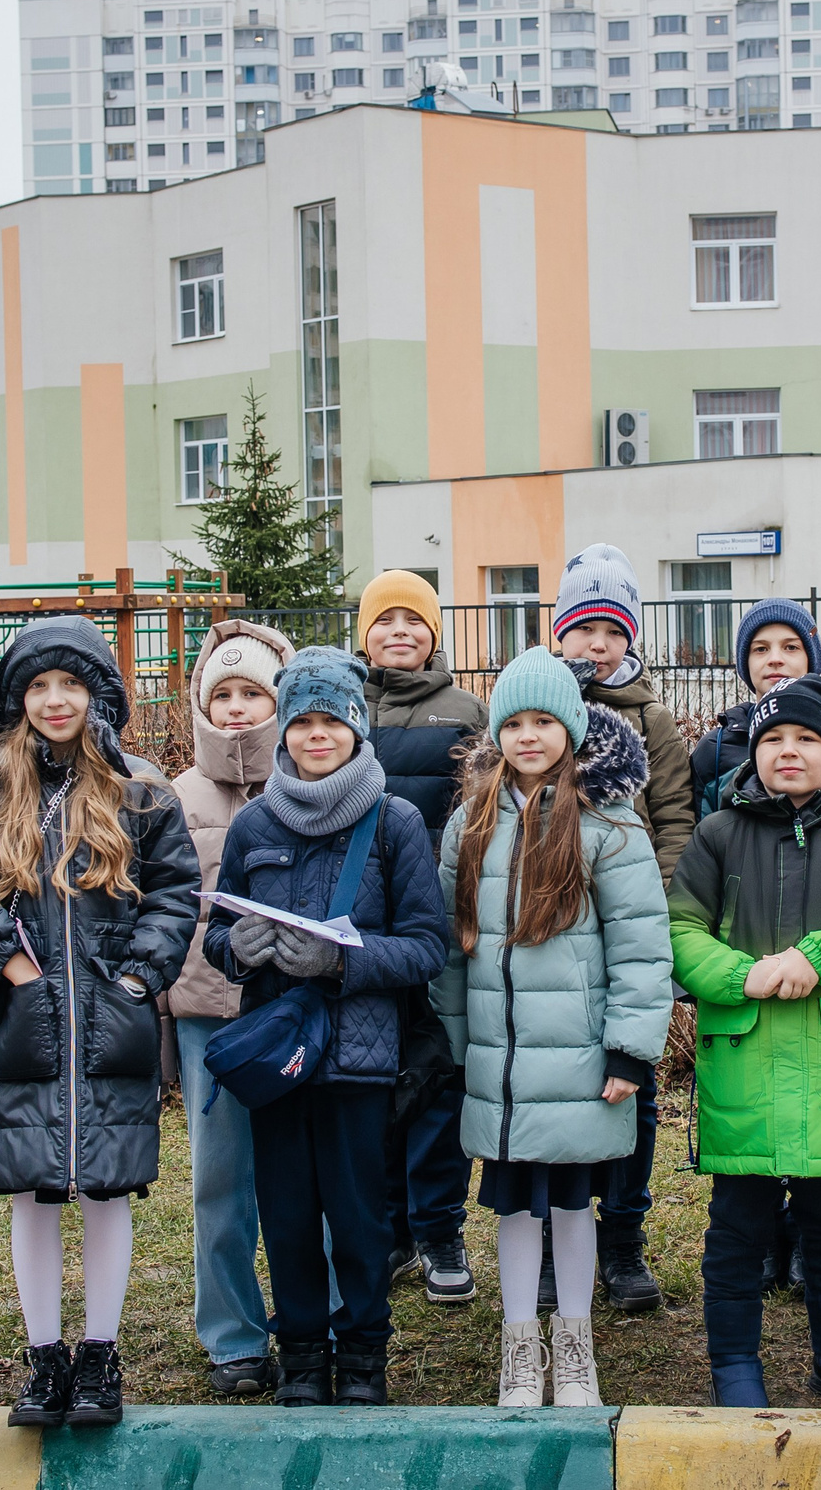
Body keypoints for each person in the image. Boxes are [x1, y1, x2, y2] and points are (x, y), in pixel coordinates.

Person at [0, 617, 201, 1430]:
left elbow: (175, 890)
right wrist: (15, 965)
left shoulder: (141, 788)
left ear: (98, 693)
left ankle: (100, 1352)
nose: (56, 699)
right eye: (39, 685)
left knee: (108, 1185)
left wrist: (140, 976)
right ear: (18, 699)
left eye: (71, 683)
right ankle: (44, 1356)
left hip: (114, 1016)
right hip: (22, 1019)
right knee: (33, 1187)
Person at [205, 647, 450, 1408]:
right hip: (279, 1056)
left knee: (356, 1214)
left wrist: (342, 963)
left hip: (359, 1057)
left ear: (357, 724)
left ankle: (364, 1357)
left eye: (331, 720)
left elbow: (426, 943)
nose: (317, 736)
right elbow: (220, 930)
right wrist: (235, 949)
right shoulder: (253, 823)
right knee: (284, 1214)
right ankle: (304, 1356)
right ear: (284, 732)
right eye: (302, 721)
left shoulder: (395, 821)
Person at [434, 647, 672, 1406]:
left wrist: (631, 1048)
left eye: (544, 720)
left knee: (573, 1201)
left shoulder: (609, 820)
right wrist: (453, 1041)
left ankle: (574, 1347)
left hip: (577, 1060)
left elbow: (642, 941)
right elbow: (447, 944)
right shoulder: (470, 822)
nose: (529, 735)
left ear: (570, 728)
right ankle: (519, 1344)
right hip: (501, 1061)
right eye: (514, 721)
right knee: (511, 1204)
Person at [671, 677, 821, 1412]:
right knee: (736, 1232)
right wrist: (744, 976)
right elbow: (680, 934)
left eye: (807, 738)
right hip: (742, 1067)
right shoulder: (716, 834)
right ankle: (735, 1363)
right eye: (773, 738)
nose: (789, 750)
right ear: (752, 752)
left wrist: (818, 957)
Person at [550, 542, 694, 1311]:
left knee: (629, 1085)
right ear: (560, 634)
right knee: (553, 1084)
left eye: (611, 630)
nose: (597, 646)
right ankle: (548, 1236)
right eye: (582, 629)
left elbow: (675, 818)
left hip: (628, 933)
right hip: (549, 935)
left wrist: (655, 907)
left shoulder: (655, 719)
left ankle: (623, 1239)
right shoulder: (538, 706)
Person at [165, 618, 297, 1396]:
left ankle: (313, 1319)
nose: (240, 707)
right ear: (202, 703)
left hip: (293, 1012)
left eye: (254, 692)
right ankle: (233, 1336)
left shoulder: (304, 785)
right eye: (225, 692)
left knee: (301, 1174)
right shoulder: (174, 795)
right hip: (206, 1017)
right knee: (220, 1180)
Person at [356, 569, 490, 1308]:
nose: (400, 631)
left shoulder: (463, 709)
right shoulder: (347, 701)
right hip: (361, 926)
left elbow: (480, 817)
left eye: (415, 620)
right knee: (374, 1080)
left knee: (439, 1076)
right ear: (365, 632)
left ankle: (441, 1228)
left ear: (434, 634)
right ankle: (389, 1230)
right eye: (386, 619)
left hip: (435, 917)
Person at [689, 598, 821, 823]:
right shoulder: (715, 750)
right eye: (761, 649)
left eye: (791, 647)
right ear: (746, 662)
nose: (775, 659)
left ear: (810, 659)